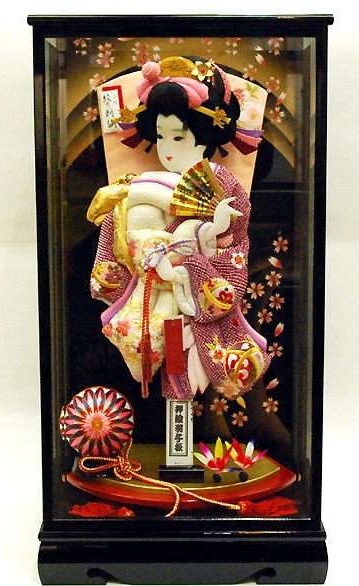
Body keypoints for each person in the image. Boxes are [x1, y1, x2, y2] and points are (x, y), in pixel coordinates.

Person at [87, 56, 270, 413]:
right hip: (150, 295)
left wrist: (195, 256)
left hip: (192, 292)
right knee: (168, 368)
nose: (167, 148)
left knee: (184, 373)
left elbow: (233, 246)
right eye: (159, 136)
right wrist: (137, 254)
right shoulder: (140, 184)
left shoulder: (221, 184)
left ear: (204, 137)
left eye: (178, 136)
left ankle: (186, 432)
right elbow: (117, 239)